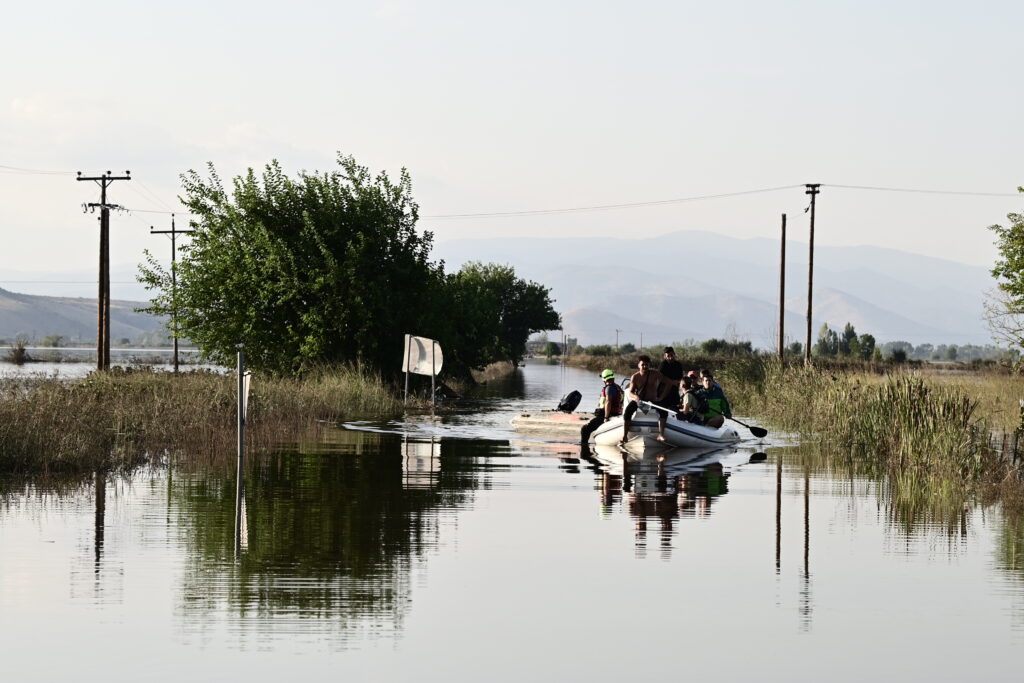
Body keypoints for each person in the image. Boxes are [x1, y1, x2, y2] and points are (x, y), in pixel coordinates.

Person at [621, 355, 673, 443]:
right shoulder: (635, 377)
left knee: (664, 411)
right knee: (627, 412)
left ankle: (661, 434)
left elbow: (669, 383)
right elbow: (630, 392)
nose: (645, 366)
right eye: (643, 365)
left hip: (653, 400)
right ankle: (625, 436)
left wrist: (661, 397)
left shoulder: (655, 374)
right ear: (638, 365)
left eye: (647, 365)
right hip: (640, 401)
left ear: (649, 365)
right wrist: (636, 397)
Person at [581, 368, 623, 447]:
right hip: (616, 413)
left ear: (604, 379)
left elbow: (608, 402)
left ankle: (584, 447)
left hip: (607, 414)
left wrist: (606, 417)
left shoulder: (609, 388)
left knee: (584, 429)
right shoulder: (618, 387)